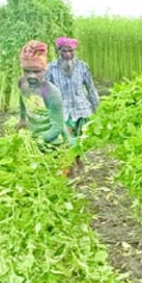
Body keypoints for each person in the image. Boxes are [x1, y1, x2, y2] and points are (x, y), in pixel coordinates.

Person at [45, 36, 100, 177]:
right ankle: (69, 168)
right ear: (59, 52)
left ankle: (78, 162)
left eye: (71, 51)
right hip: (63, 111)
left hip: (82, 110)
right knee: (67, 141)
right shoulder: (51, 68)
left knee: (80, 141)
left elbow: (91, 89)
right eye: (64, 51)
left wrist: (97, 110)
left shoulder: (82, 66)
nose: (68, 54)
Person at [16, 40, 75, 168]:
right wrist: (22, 119)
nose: (31, 76)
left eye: (37, 72)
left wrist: (39, 139)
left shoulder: (51, 93)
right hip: (35, 134)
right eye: (27, 71)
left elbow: (57, 126)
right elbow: (22, 100)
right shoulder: (23, 84)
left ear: (45, 70)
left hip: (53, 141)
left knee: (53, 169)